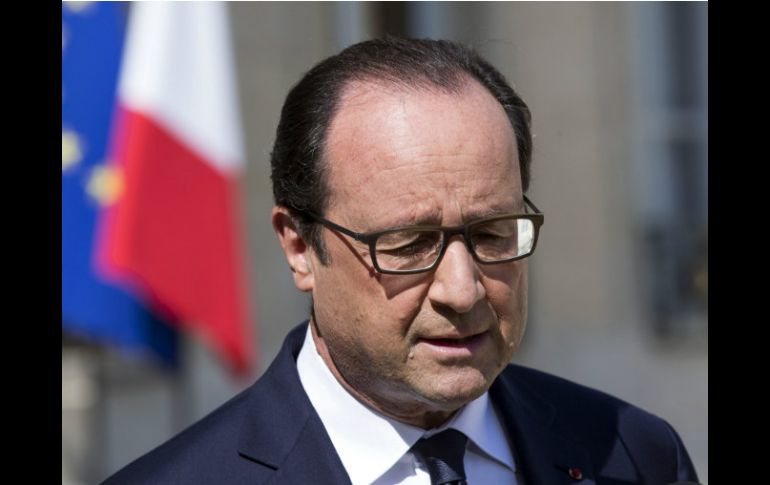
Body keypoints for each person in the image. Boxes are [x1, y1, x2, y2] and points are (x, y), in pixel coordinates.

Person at [102, 37, 700, 485]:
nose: (462, 290)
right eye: (410, 244)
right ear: (300, 248)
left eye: (493, 233)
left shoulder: (635, 455)